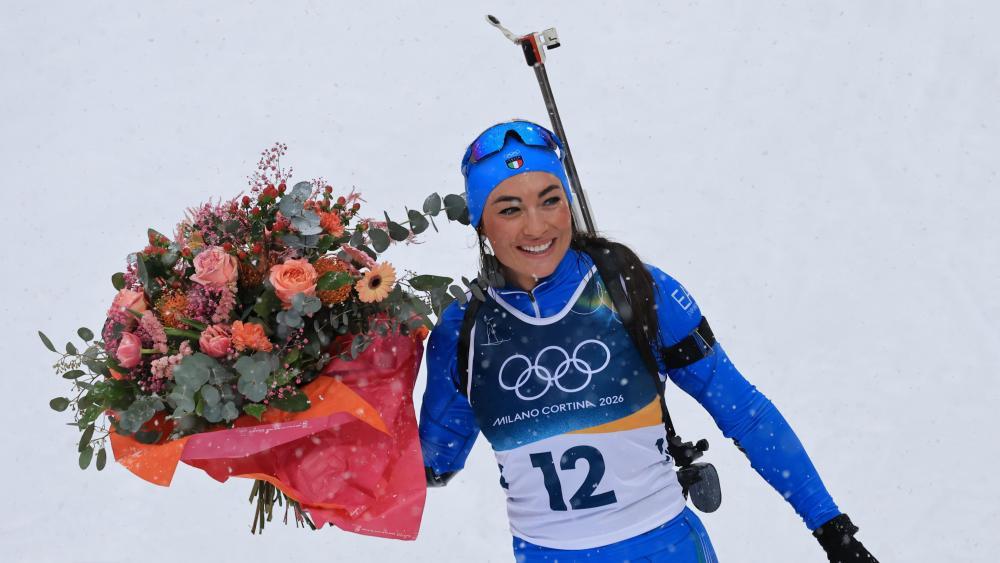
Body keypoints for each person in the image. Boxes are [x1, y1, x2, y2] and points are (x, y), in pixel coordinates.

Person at [418, 119, 878, 562]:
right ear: (480, 223)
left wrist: (832, 528)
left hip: (664, 550)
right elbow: (431, 465)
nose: (536, 227)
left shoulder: (634, 288)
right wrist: (377, 374)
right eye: (510, 209)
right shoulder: (463, 330)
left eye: (550, 200)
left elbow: (745, 412)